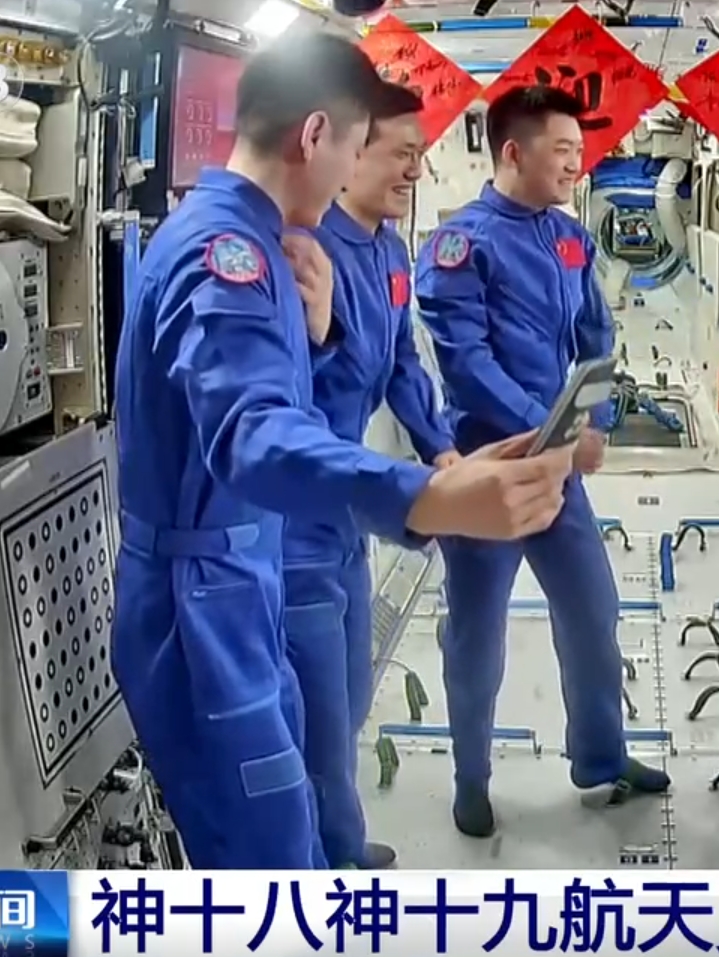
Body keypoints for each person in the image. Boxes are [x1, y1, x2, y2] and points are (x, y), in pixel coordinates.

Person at [111, 33, 574, 869]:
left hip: (239, 580)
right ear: (316, 134)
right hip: (202, 606)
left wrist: (329, 341)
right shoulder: (226, 258)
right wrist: (420, 497)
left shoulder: (270, 246)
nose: (361, 170)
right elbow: (251, 432)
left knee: (298, 818)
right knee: (268, 859)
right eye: (360, 148)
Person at [415, 85, 668, 839]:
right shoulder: (461, 244)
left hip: (556, 469)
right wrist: (551, 429)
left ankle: (600, 756)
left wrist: (594, 417)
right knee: (477, 634)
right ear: (512, 152)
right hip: (488, 469)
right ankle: (470, 780)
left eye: (578, 153)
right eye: (562, 151)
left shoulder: (570, 238)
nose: (574, 165)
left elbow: (595, 336)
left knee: (593, 611)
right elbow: (467, 364)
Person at [282, 82, 457, 871]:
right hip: (295, 518)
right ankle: (327, 866)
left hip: (346, 518)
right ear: (351, 156)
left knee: (351, 692)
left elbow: (401, 364)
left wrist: (440, 447)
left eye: (421, 156)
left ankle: (337, 843)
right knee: (319, 716)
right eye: (402, 154)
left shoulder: (388, 251)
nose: (414, 171)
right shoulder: (304, 252)